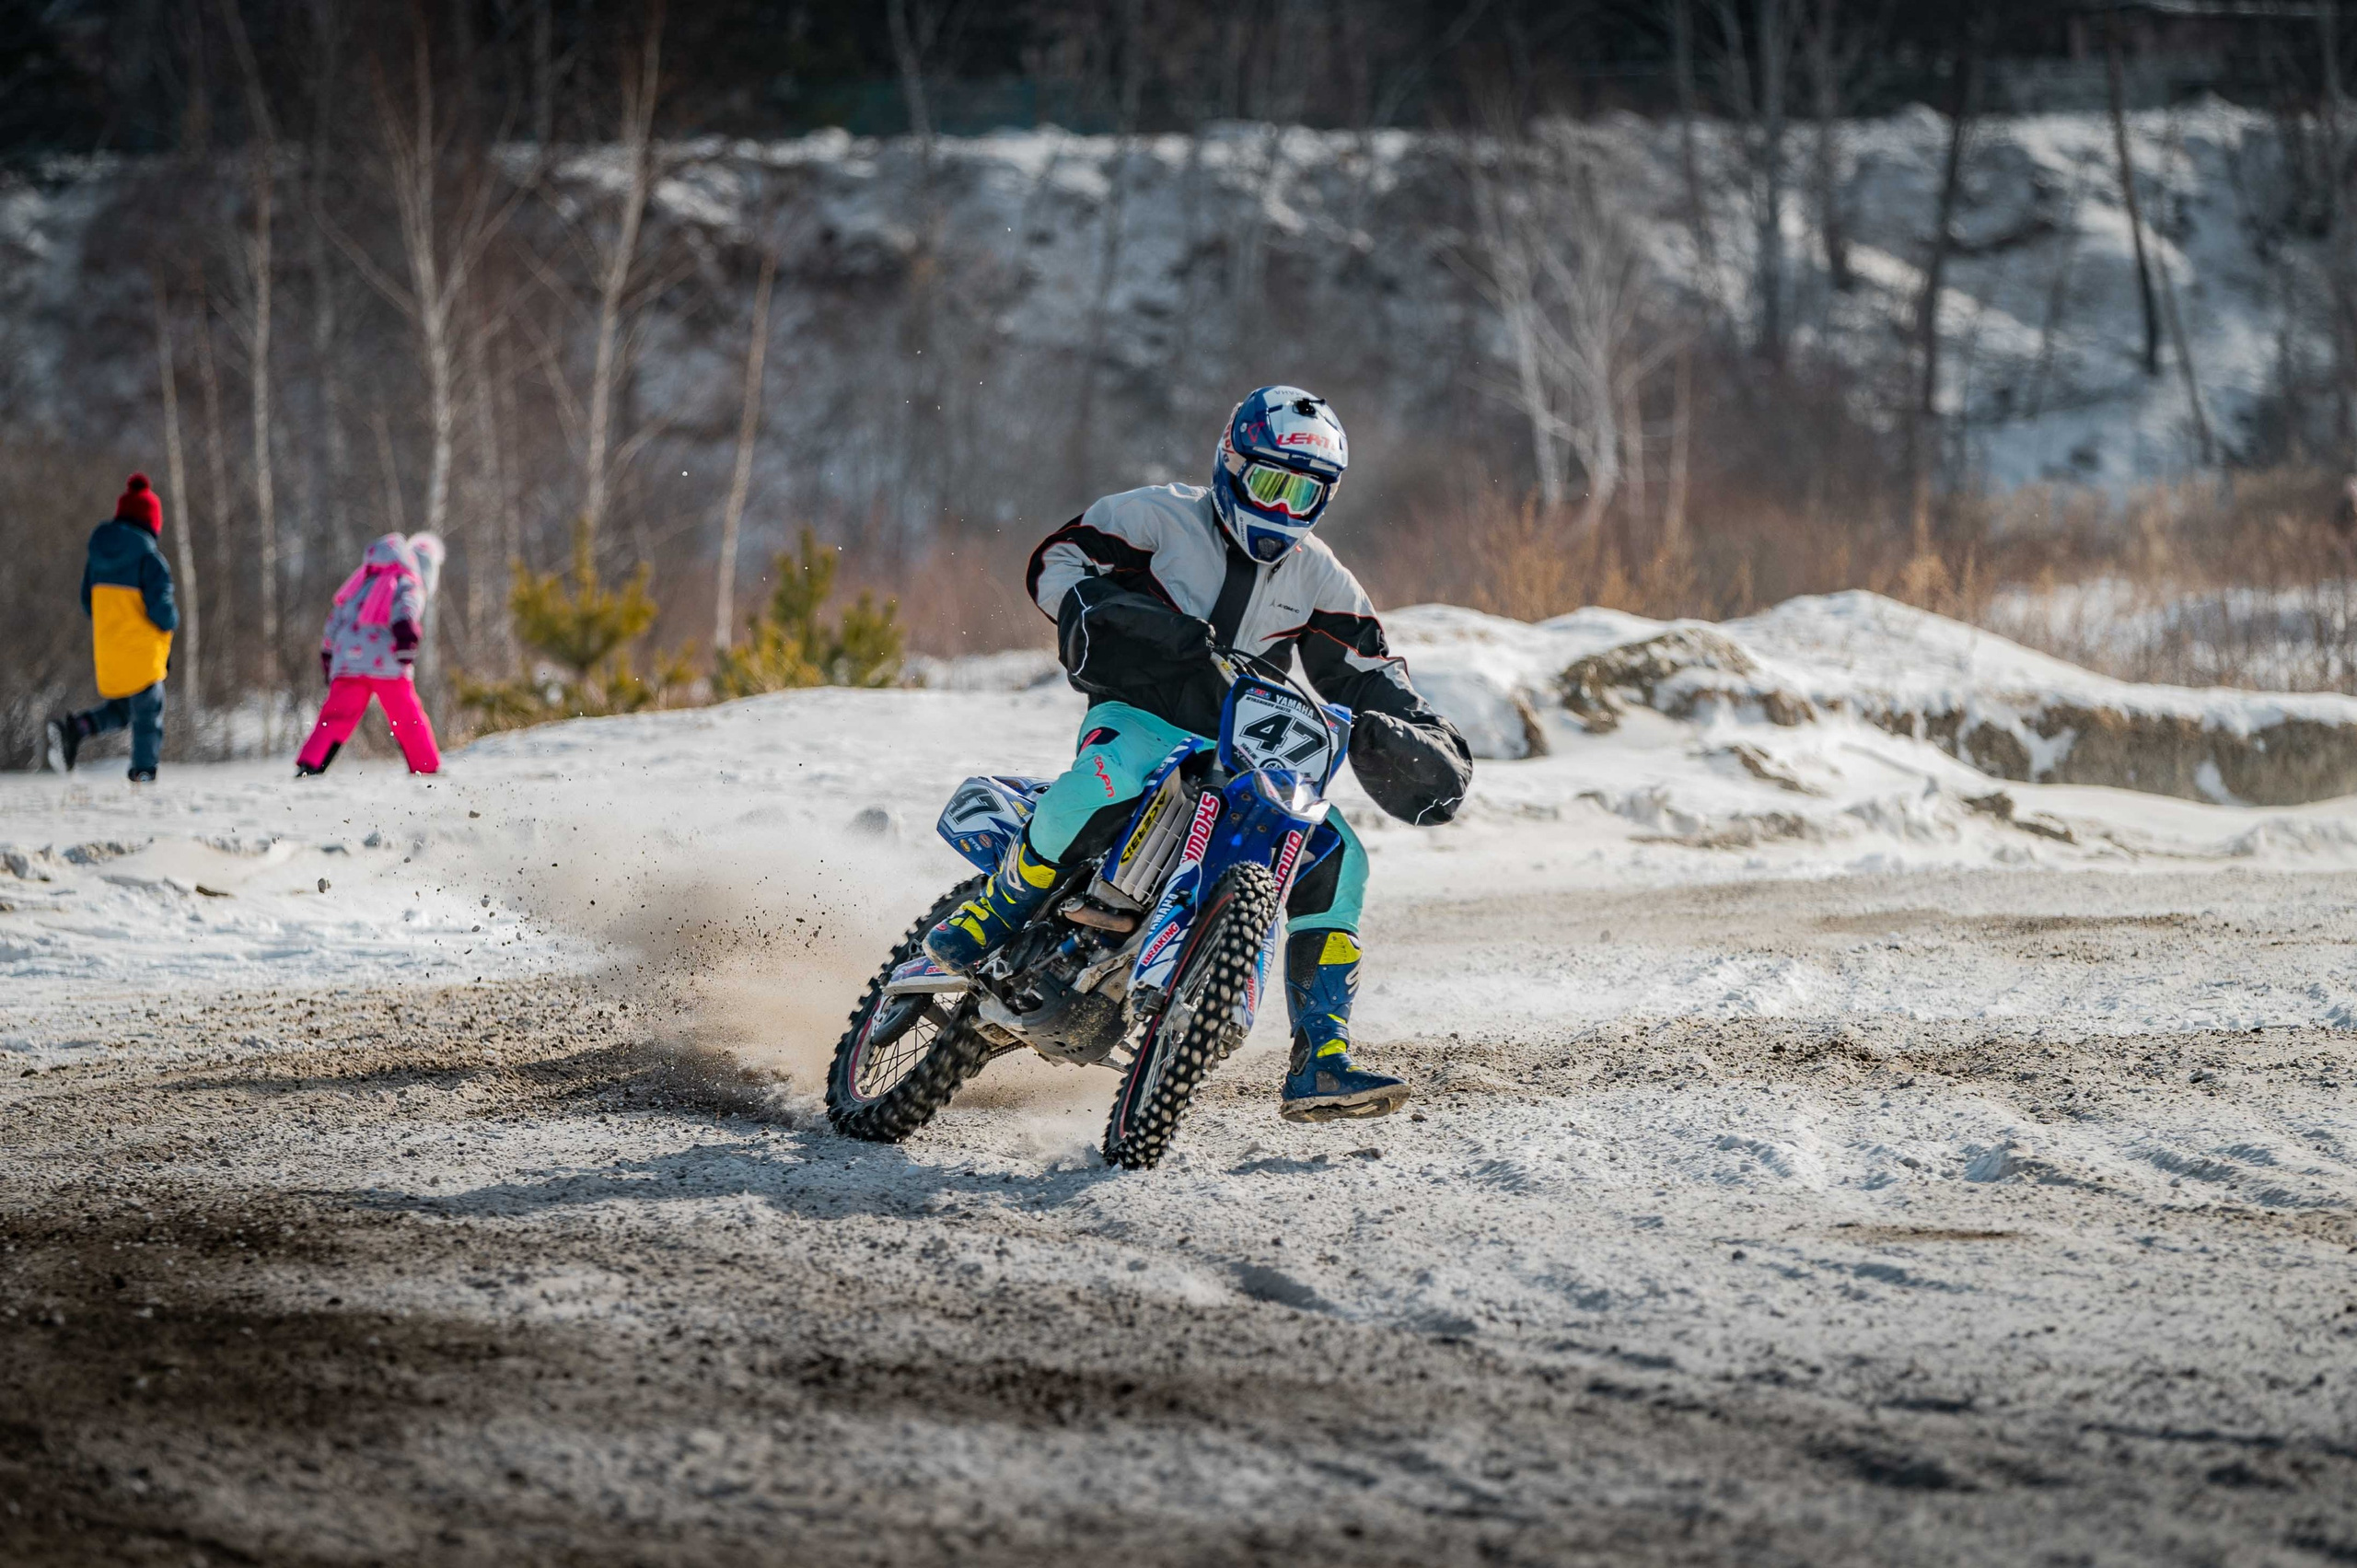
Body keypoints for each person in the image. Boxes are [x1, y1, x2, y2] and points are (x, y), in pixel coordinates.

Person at [923, 386, 1472, 1123]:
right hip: (1140, 712)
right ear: (1231, 463)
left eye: (1305, 493)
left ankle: (1322, 1057)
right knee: (1101, 780)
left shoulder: (1323, 578)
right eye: (1270, 482)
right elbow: (1058, 560)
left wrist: (1420, 739)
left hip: (1251, 755)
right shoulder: (1157, 515)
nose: (1282, 508)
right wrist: (1110, 614)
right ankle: (994, 910)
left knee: (1340, 857)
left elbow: (1377, 675)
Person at [47, 474, 180, 782]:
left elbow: (87, 602)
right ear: (151, 522)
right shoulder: (150, 559)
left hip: (108, 652)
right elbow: (163, 614)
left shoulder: (97, 558)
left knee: (122, 711)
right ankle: (144, 774)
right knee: (148, 714)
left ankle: (76, 729)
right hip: (143, 654)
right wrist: (172, 620)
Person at [295, 532, 446, 777]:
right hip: (386, 662)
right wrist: (406, 635)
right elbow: (407, 607)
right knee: (406, 716)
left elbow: (335, 620)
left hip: (348, 662)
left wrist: (328, 653)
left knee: (335, 716)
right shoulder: (407, 580)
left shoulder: (358, 584)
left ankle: (310, 765)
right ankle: (425, 767)